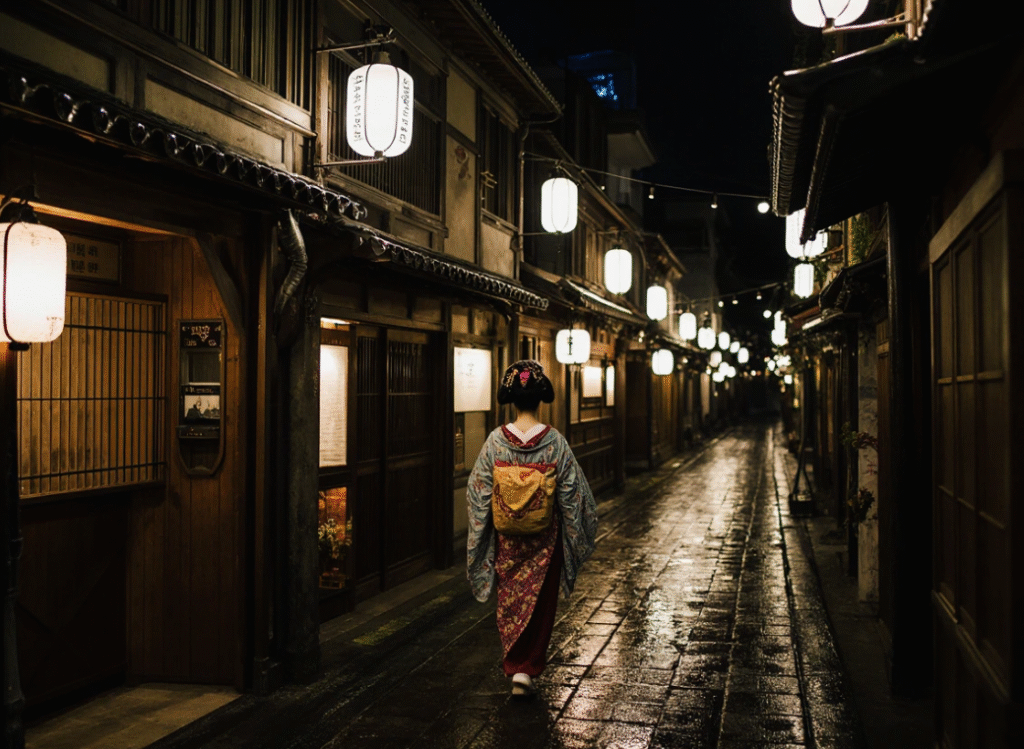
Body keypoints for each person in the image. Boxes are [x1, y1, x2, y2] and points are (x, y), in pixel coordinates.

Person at [467, 360, 598, 698]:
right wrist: (574, 534)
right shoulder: (555, 443)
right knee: (540, 605)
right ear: (541, 399)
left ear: (510, 400)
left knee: (510, 601)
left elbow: (479, 492)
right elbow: (574, 495)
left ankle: (514, 667)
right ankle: (528, 668)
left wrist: (483, 533)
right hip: (545, 539)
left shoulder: (496, 442)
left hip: (508, 539)